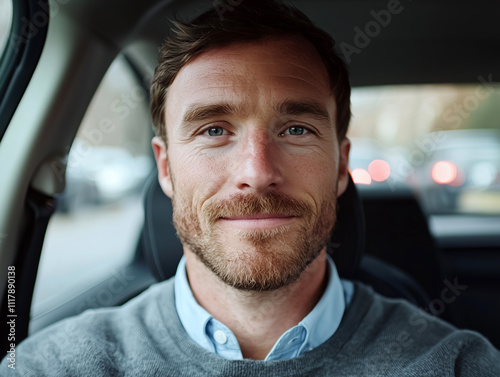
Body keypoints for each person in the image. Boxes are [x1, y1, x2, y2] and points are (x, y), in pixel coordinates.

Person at [3, 0, 500, 375]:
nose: (257, 172)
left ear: (342, 164)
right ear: (167, 168)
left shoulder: (455, 364)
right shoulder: (58, 365)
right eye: (214, 130)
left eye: (296, 130)